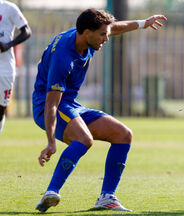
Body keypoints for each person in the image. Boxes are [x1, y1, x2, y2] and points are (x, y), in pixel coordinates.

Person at [32, 8, 166, 213]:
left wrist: (143, 23)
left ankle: (106, 198)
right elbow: (51, 104)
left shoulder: (87, 37)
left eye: (106, 33)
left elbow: (114, 28)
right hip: (47, 105)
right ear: (88, 32)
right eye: (103, 34)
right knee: (84, 140)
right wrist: (51, 141)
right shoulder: (63, 59)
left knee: (123, 134)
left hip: (69, 104)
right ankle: (51, 192)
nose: (107, 38)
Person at [0, 0, 31, 134]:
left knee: (1, 108)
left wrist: (8, 45)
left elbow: (27, 31)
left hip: (5, 67)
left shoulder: (9, 8)